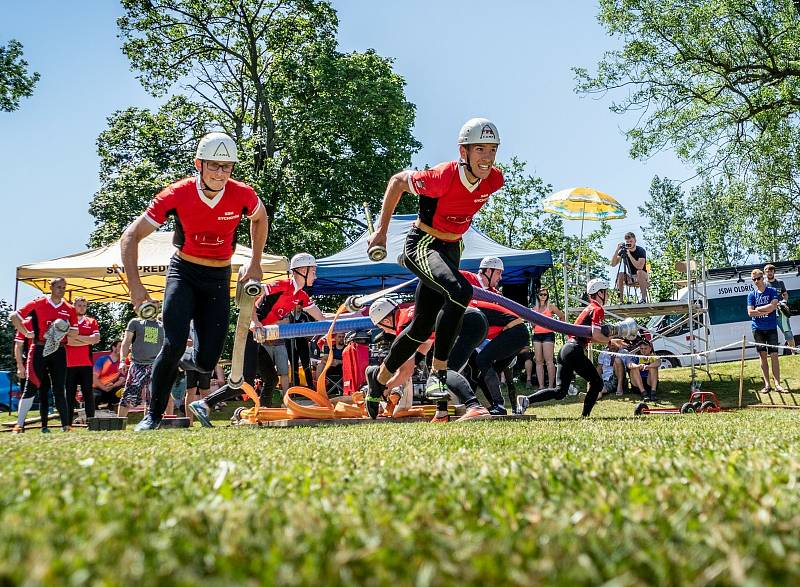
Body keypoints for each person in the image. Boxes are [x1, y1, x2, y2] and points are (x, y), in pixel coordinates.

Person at [120, 132, 268, 430]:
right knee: (173, 343)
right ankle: (153, 416)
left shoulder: (243, 194)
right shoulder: (176, 193)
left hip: (218, 277)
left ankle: (173, 359)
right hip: (183, 273)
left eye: (227, 167)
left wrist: (254, 263)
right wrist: (136, 287)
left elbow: (260, 218)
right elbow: (130, 236)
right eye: (214, 165)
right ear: (198, 164)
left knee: (206, 360)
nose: (220, 173)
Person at [365, 118, 504, 408]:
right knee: (461, 291)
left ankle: (377, 380)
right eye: (480, 149)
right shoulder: (441, 176)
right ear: (463, 152)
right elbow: (396, 182)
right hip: (423, 244)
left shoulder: (495, 180)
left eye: (492, 150)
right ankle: (438, 373)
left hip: (452, 249)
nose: (487, 158)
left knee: (419, 329)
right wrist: (381, 231)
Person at [189, 253, 337, 427]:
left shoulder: (301, 296)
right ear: (302, 270)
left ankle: (263, 414)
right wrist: (254, 320)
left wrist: (350, 315)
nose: (315, 275)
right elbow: (249, 296)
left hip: (257, 339)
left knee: (271, 378)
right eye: (313, 271)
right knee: (244, 382)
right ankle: (204, 404)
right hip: (247, 334)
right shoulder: (281, 285)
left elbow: (321, 318)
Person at [367, 298, 491, 422]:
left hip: (468, 324)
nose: (385, 331)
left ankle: (475, 406)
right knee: (434, 369)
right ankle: (441, 413)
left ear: (386, 321)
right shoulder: (408, 315)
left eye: (382, 327)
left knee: (444, 371)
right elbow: (424, 347)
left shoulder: (403, 326)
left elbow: (405, 372)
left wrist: (385, 388)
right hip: (473, 319)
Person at [516, 278, 617, 418]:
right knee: (597, 383)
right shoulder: (597, 309)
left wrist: (609, 341)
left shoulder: (588, 308)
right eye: (606, 292)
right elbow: (596, 334)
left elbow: (590, 337)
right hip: (574, 350)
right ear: (599, 293)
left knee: (560, 391)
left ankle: (527, 400)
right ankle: (585, 416)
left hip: (567, 350)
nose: (607, 295)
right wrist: (610, 341)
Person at [461, 257, 529, 415]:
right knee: (481, 374)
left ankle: (498, 405)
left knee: (483, 361)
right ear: (487, 270)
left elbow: (512, 317)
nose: (501, 278)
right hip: (484, 339)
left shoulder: (495, 295)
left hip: (511, 335)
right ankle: (495, 407)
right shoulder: (467, 277)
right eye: (499, 273)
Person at [9, 277, 78, 432]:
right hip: (39, 349)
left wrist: (62, 329)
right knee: (31, 387)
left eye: (64, 287)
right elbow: (14, 316)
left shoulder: (70, 308)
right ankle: (19, 425)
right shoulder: (37, 303)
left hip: (59, 349)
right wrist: (26, 332)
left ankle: (66, 426)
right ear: (51, 287)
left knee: (60, 388)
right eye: (59, 287)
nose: (62, 290)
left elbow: (75, 332)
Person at [118, 314, 164, 418]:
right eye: (152, 301)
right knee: (128, 396)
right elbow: (126, 342)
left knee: (152, 398)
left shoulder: (163, 325)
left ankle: (148, 425)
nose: (154, 304)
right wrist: (122, 361)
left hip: (155, 365)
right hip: (137, 365)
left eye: (157, 302)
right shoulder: (135, 322)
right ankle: (119, 424)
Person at [65, 296, 101, 424]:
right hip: (68, 364)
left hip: (86, 363)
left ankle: (90, 422)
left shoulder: (91, 321)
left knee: (88, 395)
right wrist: (86, 340)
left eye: (84, 306)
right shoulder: (66, 322)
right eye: (79, 305)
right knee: (69, 395)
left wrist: (77, 338)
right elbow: (66, 341)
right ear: (73, 306)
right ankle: (67, 424)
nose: (82, 308)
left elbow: (96, 339)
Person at [747, 268, 783, 392]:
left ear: (763, 278)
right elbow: (750, 313)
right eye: (754, 279)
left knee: (774, 355)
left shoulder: (772, 290)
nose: (756, 281)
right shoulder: (751, 294)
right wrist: (767, 309)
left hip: (771, 327)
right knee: (762, 356)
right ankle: (767, 384)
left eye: (758, 278)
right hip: (757, 329)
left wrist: (759, 308)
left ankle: (778, 384)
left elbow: (773, 305)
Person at [531, 287, 565, 390]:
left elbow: (562, 316)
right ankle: (541, 386)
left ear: (547, 296)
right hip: (536, 335)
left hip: (548, 335)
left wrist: (558, 327)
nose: (543, 296)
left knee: (549, 361)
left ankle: (550, 386)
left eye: (545, 294)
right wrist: (533, 323)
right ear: (537, 295)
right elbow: (532, 324)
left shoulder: (551, 307)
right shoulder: (534, 308)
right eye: (541, 294)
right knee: (538, 361)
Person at [764, 264, 796, 353]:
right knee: (768, 333)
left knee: (787, 331)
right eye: (767, 271)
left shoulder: (780, 282)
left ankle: (793, 352)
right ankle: (770, 353)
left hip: (781, 312)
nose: (769, 273)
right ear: (765, 272)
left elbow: (785, 294)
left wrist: (784, 302)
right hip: (769, 313)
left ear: (774, 272)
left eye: (771, 271)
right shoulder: (763, 284)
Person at [610, 232, 649, 303]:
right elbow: (613, 264)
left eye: (631, 241)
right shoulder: (623, 251)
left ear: (635, 241)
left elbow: (639, 267)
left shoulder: (640, 251)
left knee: (639, 272)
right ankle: (621, 300)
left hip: (642, 275)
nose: (629, 243)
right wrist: (617, 250)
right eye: (627, 242)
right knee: (620, 274)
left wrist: (629, 254)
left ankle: (643, 298)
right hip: (631, 276)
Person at [93, 340, 125, 410]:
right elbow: (94, 378)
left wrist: (113, 385)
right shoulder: (103, 359)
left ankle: (116, 411)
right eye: (120, 346)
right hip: (98, 388)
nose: (123, 349)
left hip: (111, 388)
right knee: (94, 396)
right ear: (114, 348)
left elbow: (122, 379)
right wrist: (104, 388)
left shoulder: (121, 363)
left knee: (124, 391)